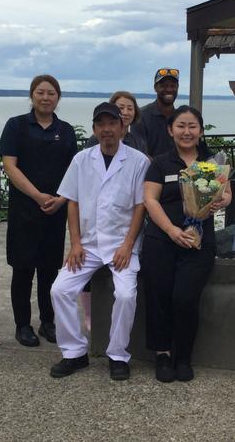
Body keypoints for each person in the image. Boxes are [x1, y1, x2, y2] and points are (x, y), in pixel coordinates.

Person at [48, 102, 149, 380]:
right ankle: (74, 352)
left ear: (122, 127)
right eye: (101, 124)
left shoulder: (138, 161)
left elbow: (140, 206)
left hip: (121, 244)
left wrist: (128, 245)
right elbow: (73, 201)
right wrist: (76, 243)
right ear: (94, 129)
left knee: (126, 295)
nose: (107, 130)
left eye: (112, 123)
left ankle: (117, 355)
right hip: (89, 244)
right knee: (60, 290)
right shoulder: (82, 159)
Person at [142, 105, 231, 383]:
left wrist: (221, 200)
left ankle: (184, 356)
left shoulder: (212, 162)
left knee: (185, 298)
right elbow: (150, 200)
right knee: (158, 297)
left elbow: (226, 193)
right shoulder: (160, 163)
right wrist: (170, 230)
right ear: (171, 130)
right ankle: (163, 355)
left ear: (201, 130)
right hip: (161, 240)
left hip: (198, 242)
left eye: (192, 126)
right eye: (180, 126)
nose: (186, 131)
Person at [0, 74, 78, 347]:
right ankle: (22, 324)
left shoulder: (66, 130)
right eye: (40, 92)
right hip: (24, 209)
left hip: (55, 210)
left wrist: (60, 199)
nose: (46, 98)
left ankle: (48, 321)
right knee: (22, 270)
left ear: (58, 97)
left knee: (50, 270)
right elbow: (10, 166)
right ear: (32, 96)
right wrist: (36, 195)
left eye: (51, 93)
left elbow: (74, 170)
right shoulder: (17, 125)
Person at [135, 68, 180, 158]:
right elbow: (139, 152)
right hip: (149, 170)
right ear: (155, 88)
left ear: (177, 88)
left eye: (173, 86)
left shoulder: (180, 117)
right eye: (164, 85)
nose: (169, 89)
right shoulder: (141, 116)